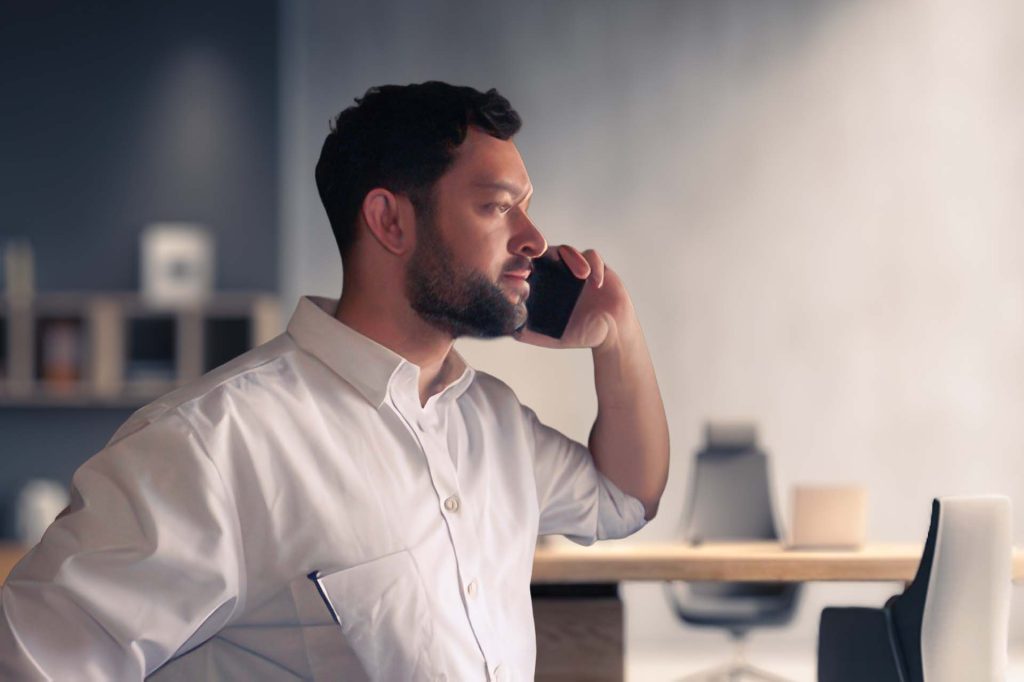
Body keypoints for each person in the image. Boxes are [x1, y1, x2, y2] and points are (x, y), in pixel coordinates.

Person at [0, 81, 669, 681]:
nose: (532, 238)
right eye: (497, 208)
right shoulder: (214, 444)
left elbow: (625, 499)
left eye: (525, 208)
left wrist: (620, 338)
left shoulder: (492, 421)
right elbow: (31, 659)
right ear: (389, 221)